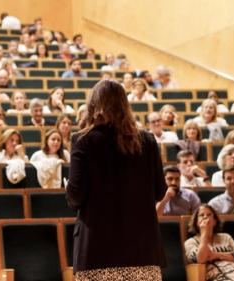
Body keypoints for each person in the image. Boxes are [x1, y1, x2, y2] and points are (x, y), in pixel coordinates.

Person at [66, 79, 166, 280]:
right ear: (125, 105)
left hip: (97, 250)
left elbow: (75, 196)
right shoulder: (147, 140)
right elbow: (159, 191)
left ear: (94, 105)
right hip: (142, 249)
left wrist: (68, 187)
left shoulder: (83, 140)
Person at [184, 204, 234, 281]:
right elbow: (200, 260)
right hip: (214, 277)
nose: (205, 217)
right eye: (201, 215)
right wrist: (204, 233)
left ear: (214, 221)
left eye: (209, 214)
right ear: (196, 222)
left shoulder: (226, 237)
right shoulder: (190, 242)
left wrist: (214, 255)